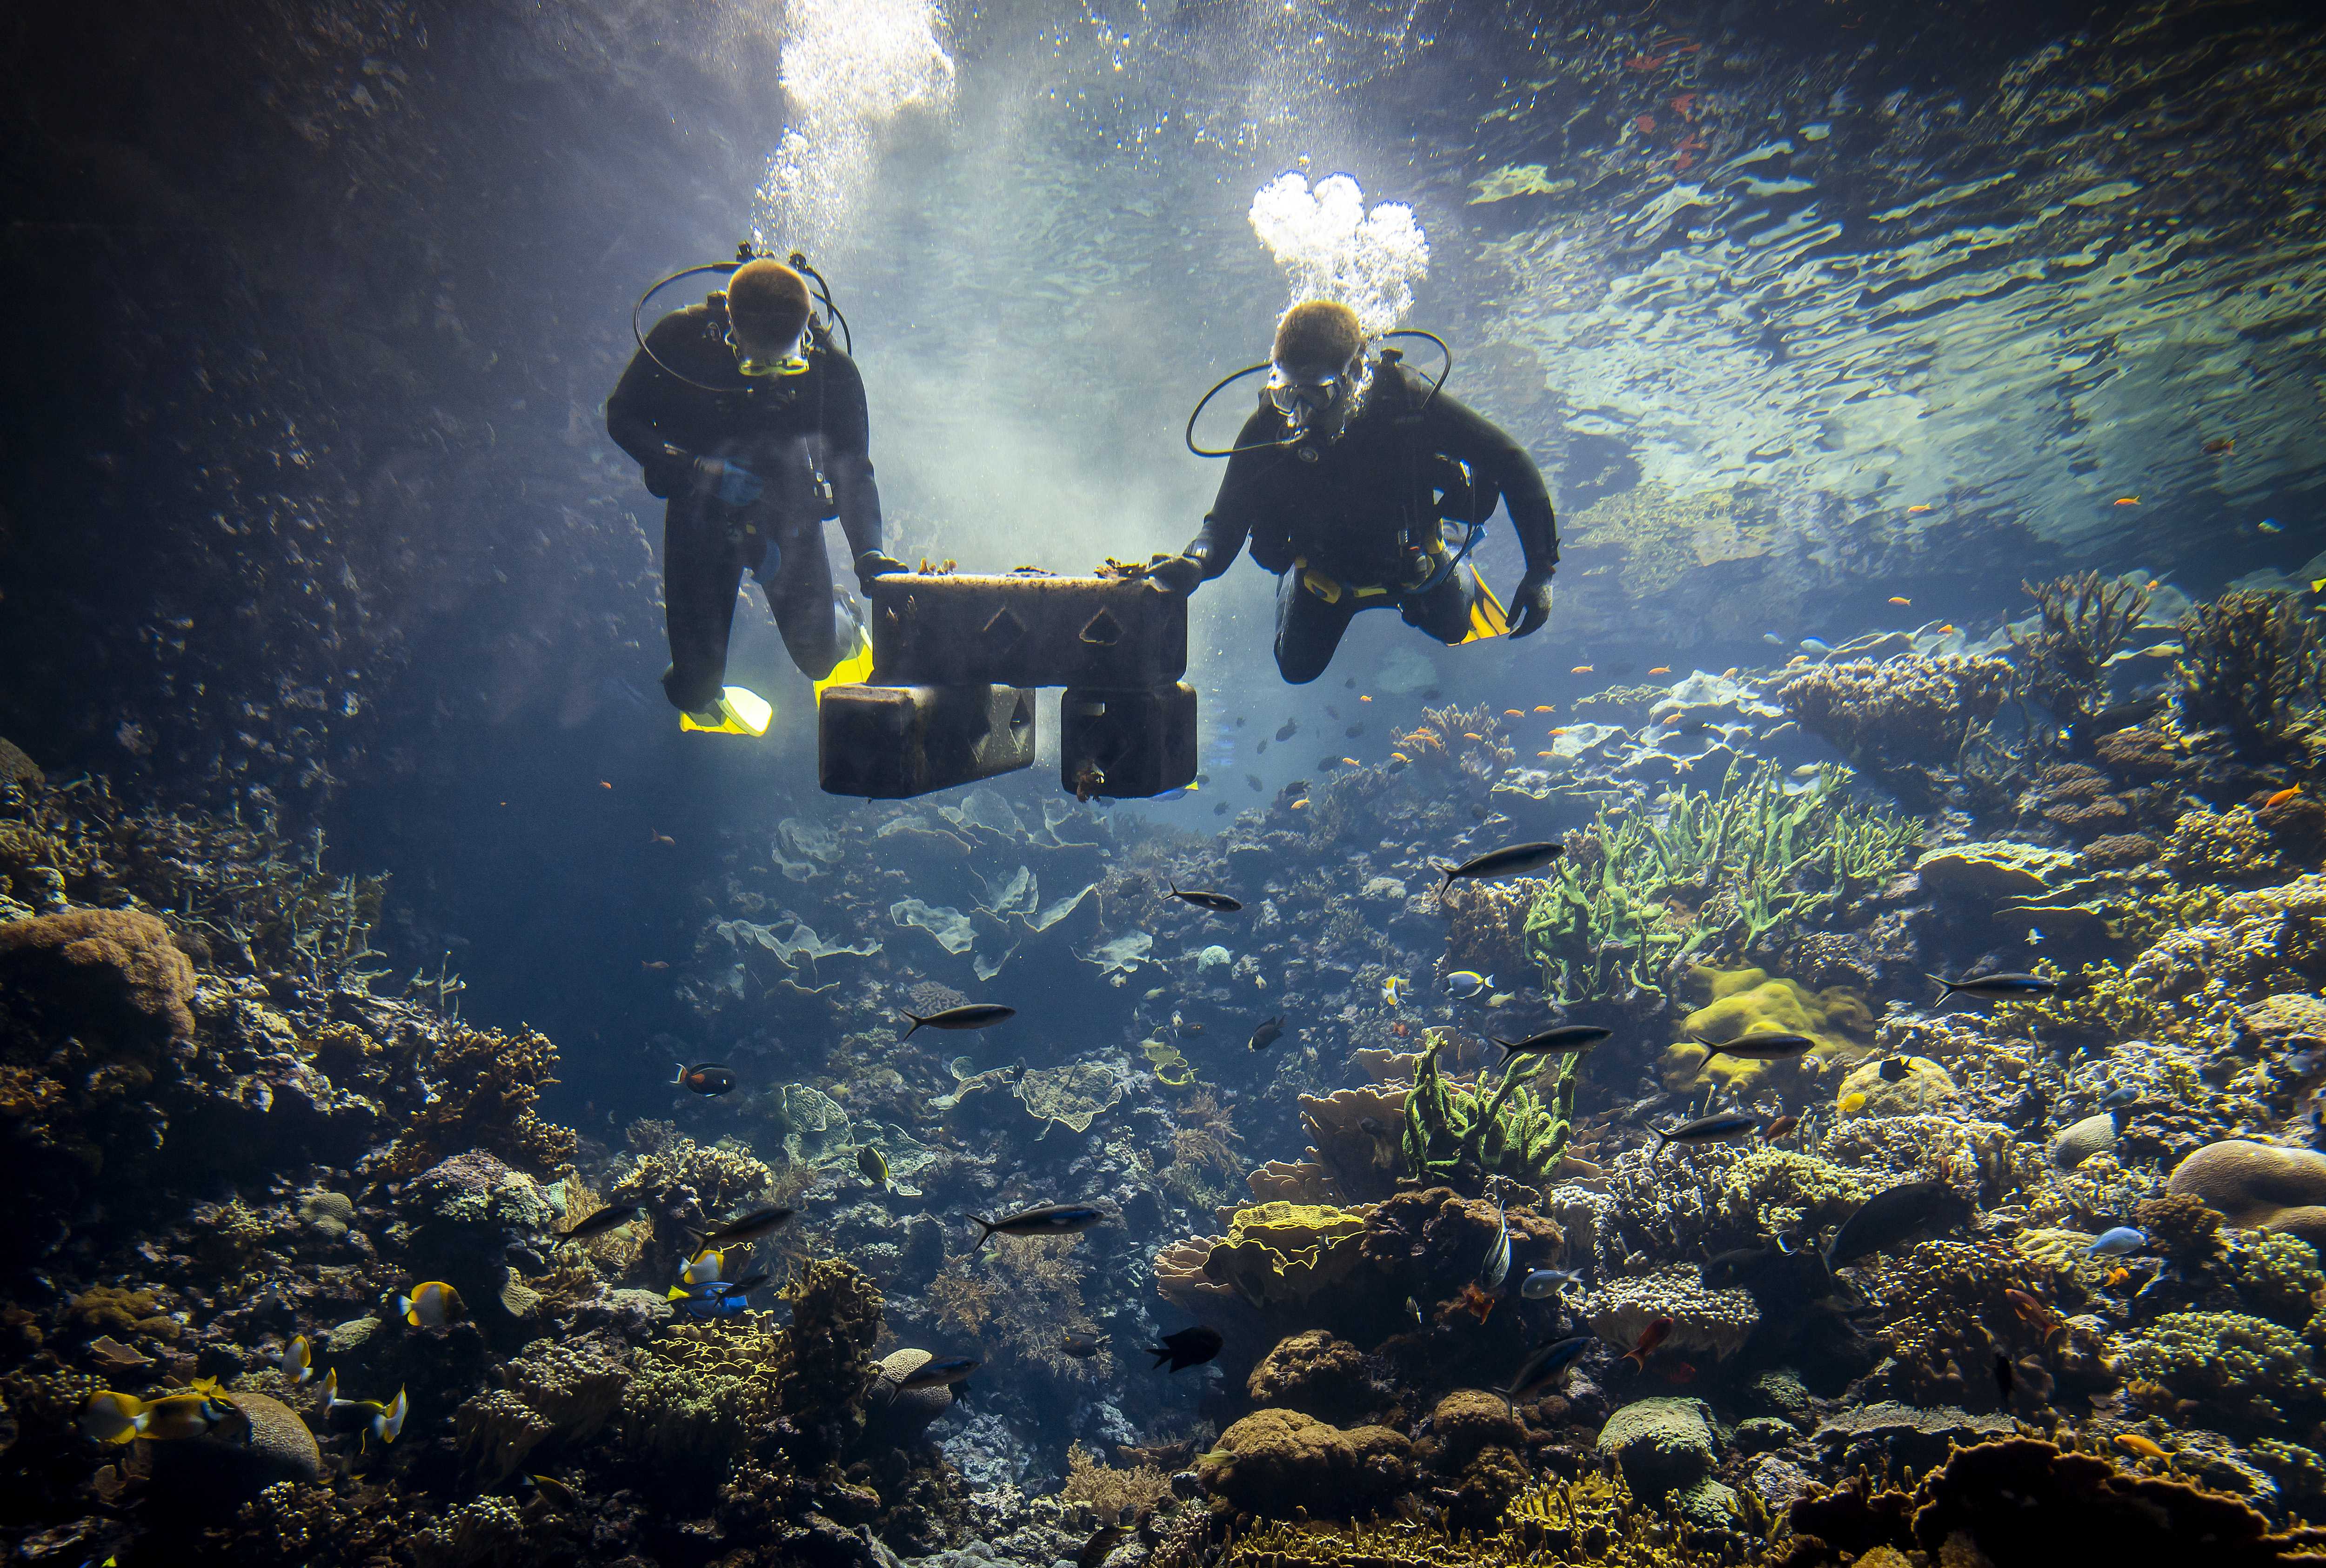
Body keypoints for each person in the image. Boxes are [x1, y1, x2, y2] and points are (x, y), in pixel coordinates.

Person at [1148, 300, 1558, 684]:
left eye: (1319, 394)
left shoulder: (1408, 403)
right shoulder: (1271, 426)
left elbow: (1511, 461)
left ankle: (1448, 550)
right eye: (1288, 394)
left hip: (1416, 568)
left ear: (1356, 374)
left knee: (1454, 626)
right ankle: (1297, 581)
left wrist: (1541, 571)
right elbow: (1225, 522)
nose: (1302, 414)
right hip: (1325, 577)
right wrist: (1195, 564)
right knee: (1296, 669)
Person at [607, 257, 903, 732]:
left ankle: (841, 612)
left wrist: (869, 553)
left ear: (806, 332)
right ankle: (703, 692)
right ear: (729, 327)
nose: (770, 373)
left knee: (820, 661)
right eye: (756, 360)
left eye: (785, 361)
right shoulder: (682, 341)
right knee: (692, 688)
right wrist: (694, 467)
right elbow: (622, 416)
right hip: (701, 511)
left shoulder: (831, 370)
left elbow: (851, 467)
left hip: (788, 515)